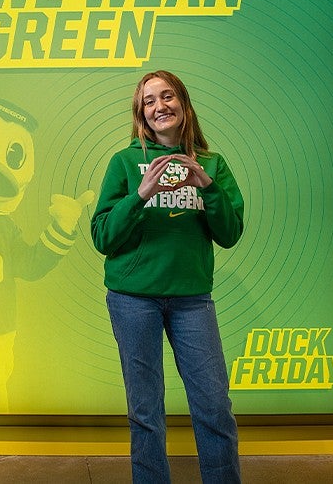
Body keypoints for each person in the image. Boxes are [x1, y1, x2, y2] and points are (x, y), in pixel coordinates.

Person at [91, 70, 245, 483]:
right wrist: (140, 193)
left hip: (192, 299)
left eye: (167, 96)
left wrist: (207, 186)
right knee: (146, 410)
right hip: (132, 299)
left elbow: (230, 234)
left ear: (183, 103)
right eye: (149, 100)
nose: (159, 106)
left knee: (213, 404)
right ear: (141, 113)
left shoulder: (212, 163)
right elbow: (102, 236)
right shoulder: (124, 162)